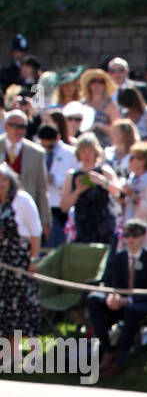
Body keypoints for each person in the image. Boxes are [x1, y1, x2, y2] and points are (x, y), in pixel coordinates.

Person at [87, 218, 147, 377]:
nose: (130, 239)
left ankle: (120, 359)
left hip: (142, 304)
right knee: (93, 298)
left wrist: (127, 300)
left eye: (135, 235)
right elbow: (109, 283)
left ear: (144, 236)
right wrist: (111, 298)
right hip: (119, 302)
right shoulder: (118, 258)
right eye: (127, 235)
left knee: (131, 309)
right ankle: (107, 349)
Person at [0, 162, 42, 343]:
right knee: (6, 306)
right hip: (3, 258)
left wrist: (33, 258)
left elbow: (35, 231)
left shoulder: (22, 200)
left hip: (20, 257)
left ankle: (33, 353)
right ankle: (10, 350)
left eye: (3, 180)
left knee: (24, 304)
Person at [0, 108, 52, 239]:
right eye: (14, 126)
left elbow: (42, 188)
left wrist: (45, 220)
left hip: (25, 213)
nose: (19, 130)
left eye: (23, 126)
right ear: (5, 126)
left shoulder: (36, 153)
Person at [60, 132, 118, 245]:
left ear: (96, 152)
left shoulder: (105, 171)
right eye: (83, 151)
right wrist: (78, 191)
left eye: (89, 151)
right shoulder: (72, 175)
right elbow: (64, 207)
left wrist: (101, 181)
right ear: (78, 153)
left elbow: (119, 193)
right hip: (82, 227)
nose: (86, 155)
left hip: (104, 226)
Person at [37, 122, 76, 247]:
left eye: (51, 146)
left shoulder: (71, 154)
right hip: (44, 203)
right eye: (45, 145)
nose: (48, 148)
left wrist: (55, 180)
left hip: (62, 204)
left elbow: (78, 178)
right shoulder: (36, 151)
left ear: (58, 138)